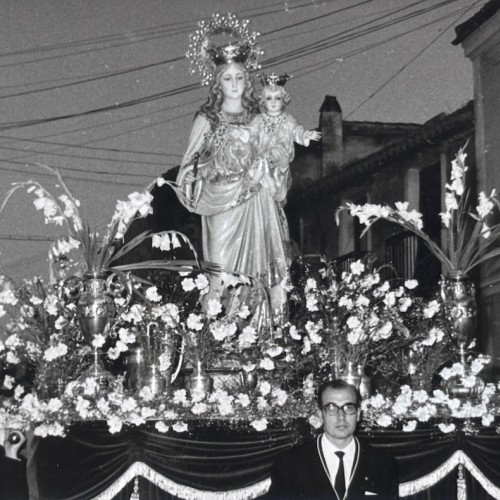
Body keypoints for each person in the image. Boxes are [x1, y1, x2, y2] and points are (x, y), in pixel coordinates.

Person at [176, 17, 292, 322]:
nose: (235, 84)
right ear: (217, 82)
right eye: (228, 79)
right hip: (220, 203)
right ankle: (220, 330)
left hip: (255, 201)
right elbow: (188, 164)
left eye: (240, 77)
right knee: (222, 268)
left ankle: (255, 331)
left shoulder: (258, 119)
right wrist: (193, 177)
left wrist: (271, 167)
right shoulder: (207, 119)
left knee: (257, 268)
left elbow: (278, 156)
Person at [266, 379, 399, 499]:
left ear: (358, 414)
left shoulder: (383, 463)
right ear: (320, 415)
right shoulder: (290, 463)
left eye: (349, 408)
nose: (341, 417)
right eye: (331, 408)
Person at [248, 73, 321, 203]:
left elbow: (295, 131)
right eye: (269, 98)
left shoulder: (287, 119)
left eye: (277, 98)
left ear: (284, 100)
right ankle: (267, 181)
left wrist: (305, 135)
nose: (273, 102)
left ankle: (259, 182)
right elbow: (249, 133)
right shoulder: (259, 119)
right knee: (251, 161)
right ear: (263, 101)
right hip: (261, 157)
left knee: (266, 158)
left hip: (279, 154)